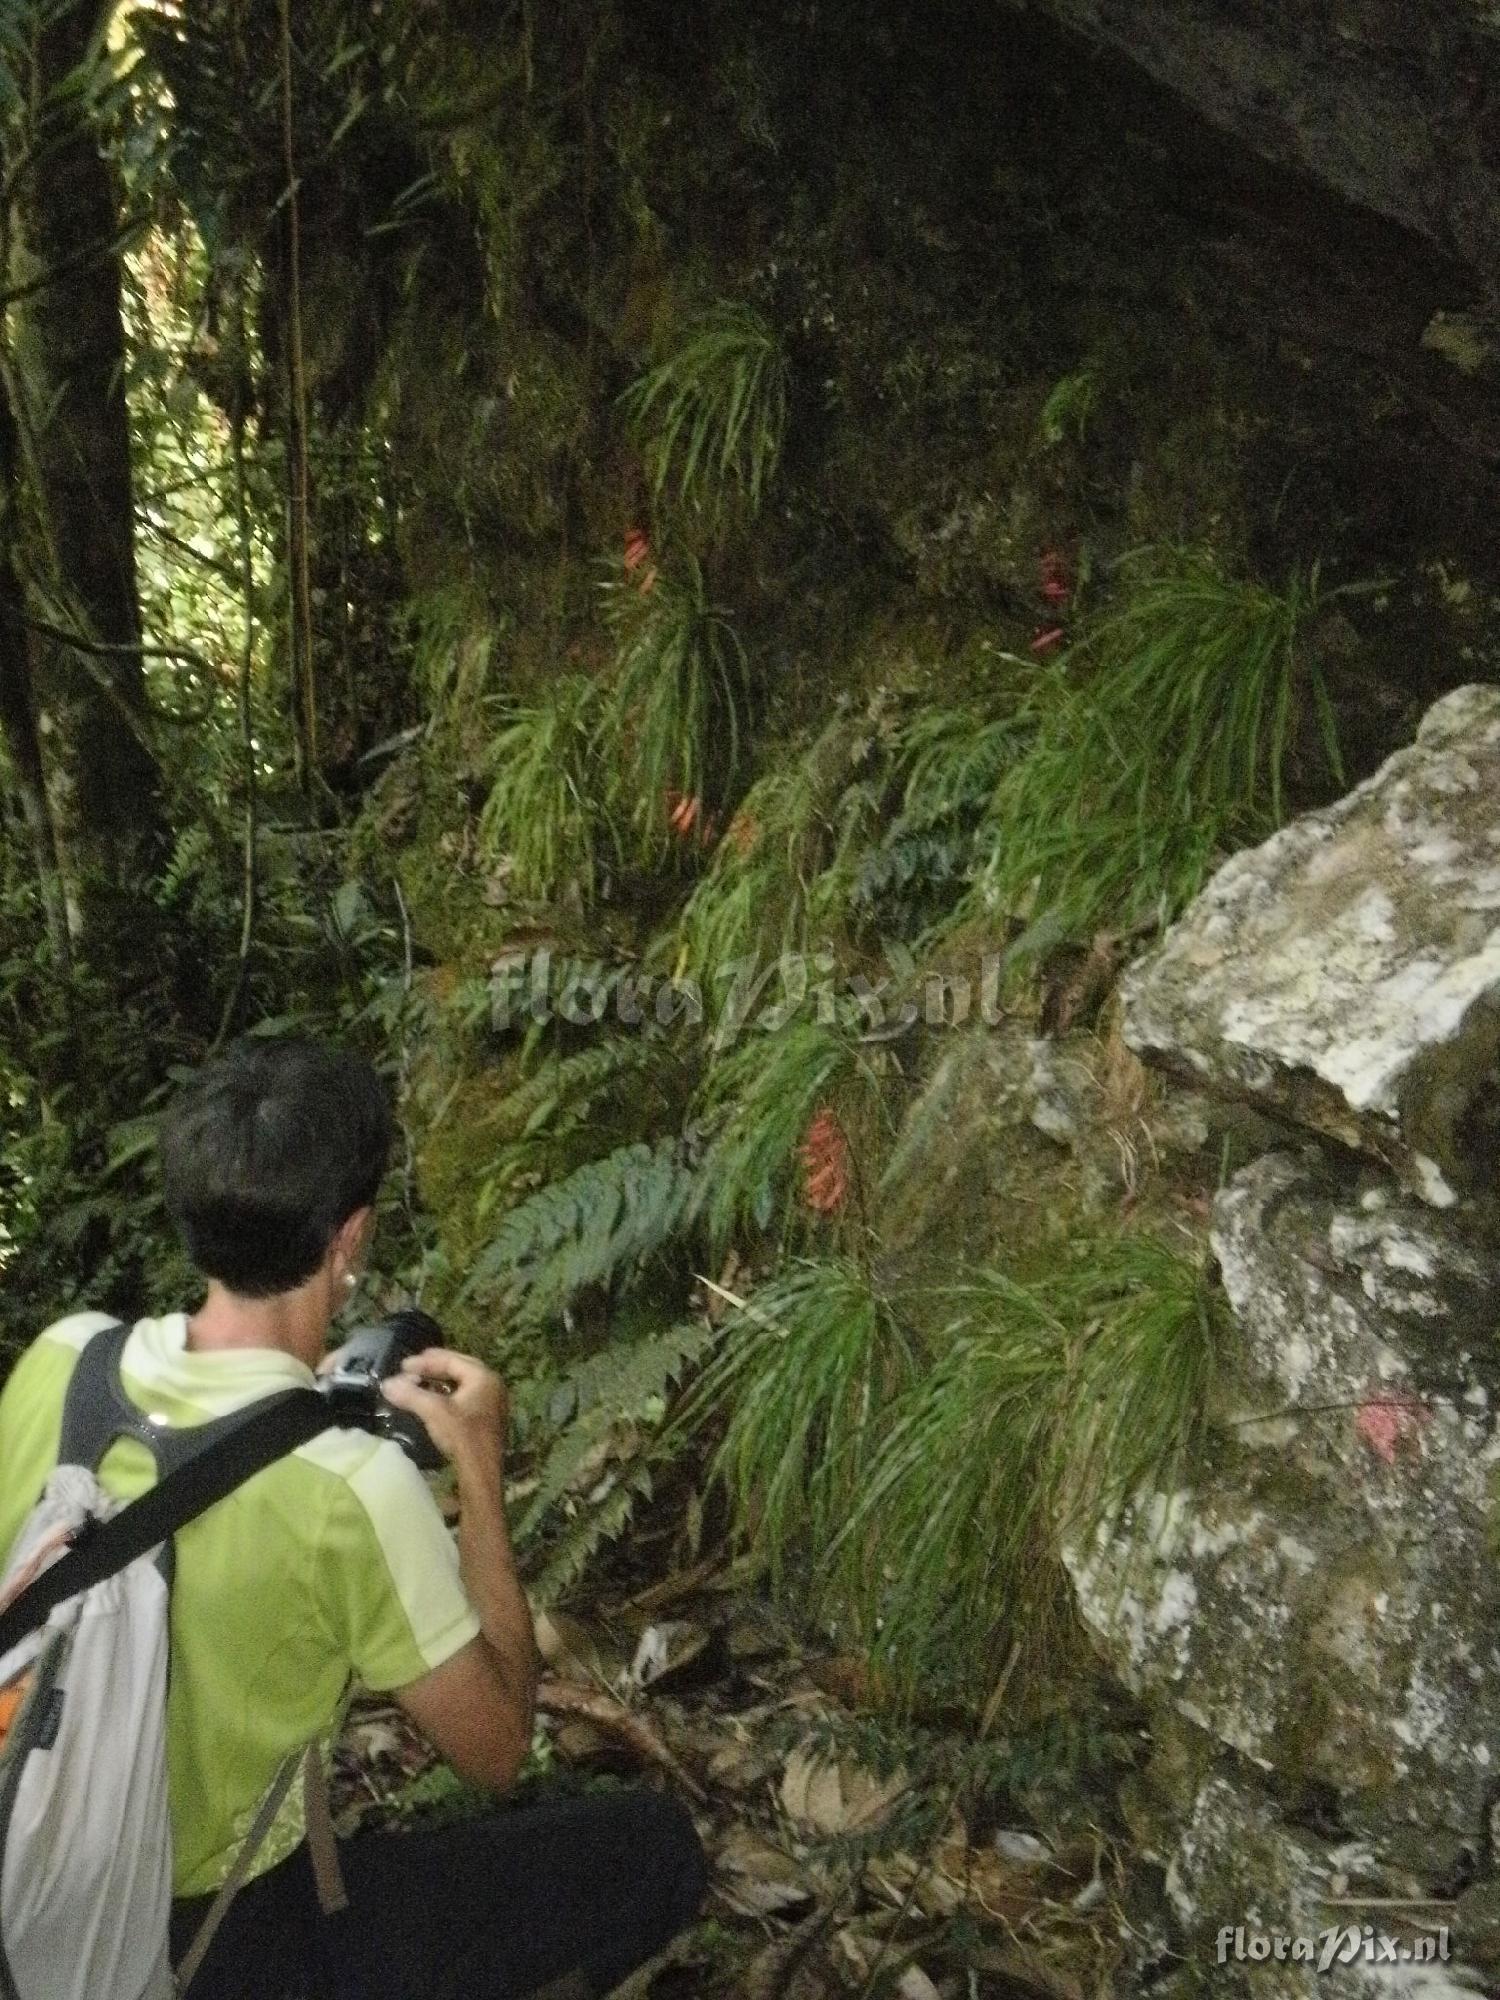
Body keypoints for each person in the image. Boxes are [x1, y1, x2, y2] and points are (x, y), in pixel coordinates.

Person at [0, 1037, 706, 2000]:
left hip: (26, 1884)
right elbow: (497, 1750)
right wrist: (480, 1476)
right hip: (205, 1949)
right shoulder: (352, 1485)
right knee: (650, 1848)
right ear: (351, 1239)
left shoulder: (62, 1359)